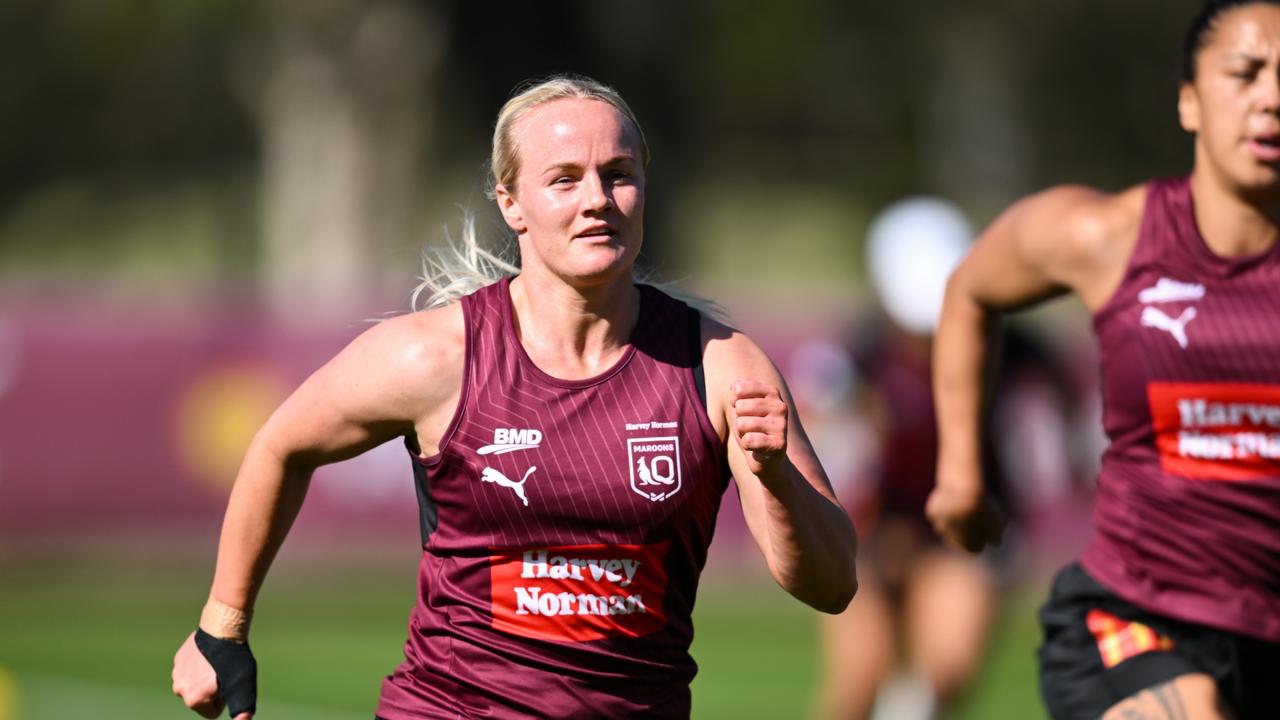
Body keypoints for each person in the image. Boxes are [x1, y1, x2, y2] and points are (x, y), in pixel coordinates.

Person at [170, 74, 857, 719]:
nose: (597, 200)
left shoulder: (721, 368)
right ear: (511, 203)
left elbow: (831, 585)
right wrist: (221, 627)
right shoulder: (437, 356)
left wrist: (775, 480)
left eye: (618, 176)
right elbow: (281, 446)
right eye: (564, 180)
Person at [927, 2, 1280, 718]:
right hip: (1136, 614)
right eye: (1245, 74)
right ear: (1188, 100)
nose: (1273, 98)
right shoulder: (1108, 235)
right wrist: (962, 473)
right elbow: (971, 289)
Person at [815, 199, 1076, 719]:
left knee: (944, 674)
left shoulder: (1014, 349)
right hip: (876, 531)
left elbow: (1066, 415)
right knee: (858, 683)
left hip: (970, 532)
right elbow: (819, 435)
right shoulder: (860, 357)